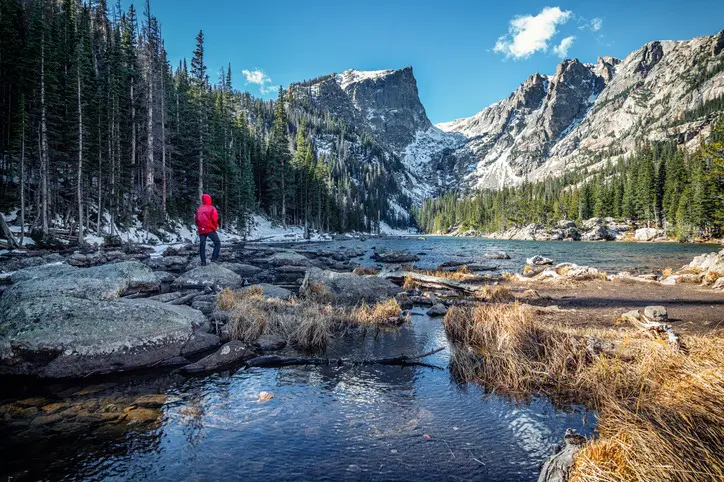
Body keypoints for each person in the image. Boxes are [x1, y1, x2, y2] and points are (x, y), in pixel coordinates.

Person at [195, 193, 220, 266]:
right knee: (217, 243)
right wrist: (214, 227)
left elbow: (196, 220)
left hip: (201, 230)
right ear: (209, 200)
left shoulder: (199, 209)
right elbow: (215, 219)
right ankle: (214, 259)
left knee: (202, 244)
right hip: (209, 229)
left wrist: (200, 227)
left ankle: (203, 261)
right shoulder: (212, 208)